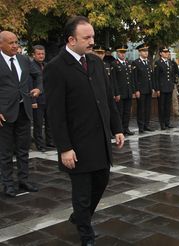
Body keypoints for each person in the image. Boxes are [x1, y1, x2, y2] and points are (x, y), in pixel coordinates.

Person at [44, 16, 124, 246]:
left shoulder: (96, 63)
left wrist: (116, 128)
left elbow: (107, 99)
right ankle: (86, 234)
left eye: (93, 36)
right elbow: (56, 113)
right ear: (71, 40)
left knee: (102, 180)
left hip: (99, 140)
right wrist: (65, 148)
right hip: (76, 144)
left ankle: (79, 217)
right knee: (82, 192)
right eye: (86, 37)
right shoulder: (55, 68)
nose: (92, 41)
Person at [0, 31, 42, 197]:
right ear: (1, 44)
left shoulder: (24, 59)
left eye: (16, 42)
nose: (15, 45)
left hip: (24, 110)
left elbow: (38, 74)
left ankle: (23, 179)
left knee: (23, 149)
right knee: (5, 152)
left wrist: (38, 88)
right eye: (11, 43)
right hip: (5, 114)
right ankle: (8, 184)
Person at [31, 45, 54, 152]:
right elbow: (30, 84)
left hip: (48, 99)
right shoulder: (31, 67)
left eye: (43, 54)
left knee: (49, 122)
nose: (41, 56)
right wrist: (33, 100)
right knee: (38, 124)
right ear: (33, 55)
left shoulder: (46, 65)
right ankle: (40, 145)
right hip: (37, 100)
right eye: (38, 54)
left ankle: (50, 142)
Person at [110, 44, 135, 136]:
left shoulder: (128, 63)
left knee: (127, 112)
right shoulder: (114, 64)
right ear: (117, 53)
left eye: (124, 52)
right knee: (119, 112)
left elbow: (131, 79)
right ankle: (119, 130)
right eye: (121, 52)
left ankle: (126, 128)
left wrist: (132, 91)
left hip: (128, 92)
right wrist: (116, 93)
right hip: (120, 93)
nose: (123, 54)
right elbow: (114, 80)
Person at [132, 43, 154, 133]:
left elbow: (150, 76)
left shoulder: (148, 62)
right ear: (139, 52)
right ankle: (141, 126)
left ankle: (146, 125)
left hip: (148, 89)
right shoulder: (136, 63)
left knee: (148, 108)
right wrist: (136, 90)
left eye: (147, 51)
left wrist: (152, 88)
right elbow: (135, 78)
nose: (146, 53)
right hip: (141, 90)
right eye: (144, 51)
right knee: (141, 109)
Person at [154, 47, 176, 130]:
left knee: (168, 106)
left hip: (169, 87)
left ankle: (167, 122)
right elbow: (156, 77)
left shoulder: (170, 62)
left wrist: (172, 84)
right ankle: (162, 123)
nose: (167, 53)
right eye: (165, 52)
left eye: (167, 52)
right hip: (162, 88)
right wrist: (157, 89)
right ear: (160, 53)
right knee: (161, 107)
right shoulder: (158, 63)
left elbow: (172, 75)